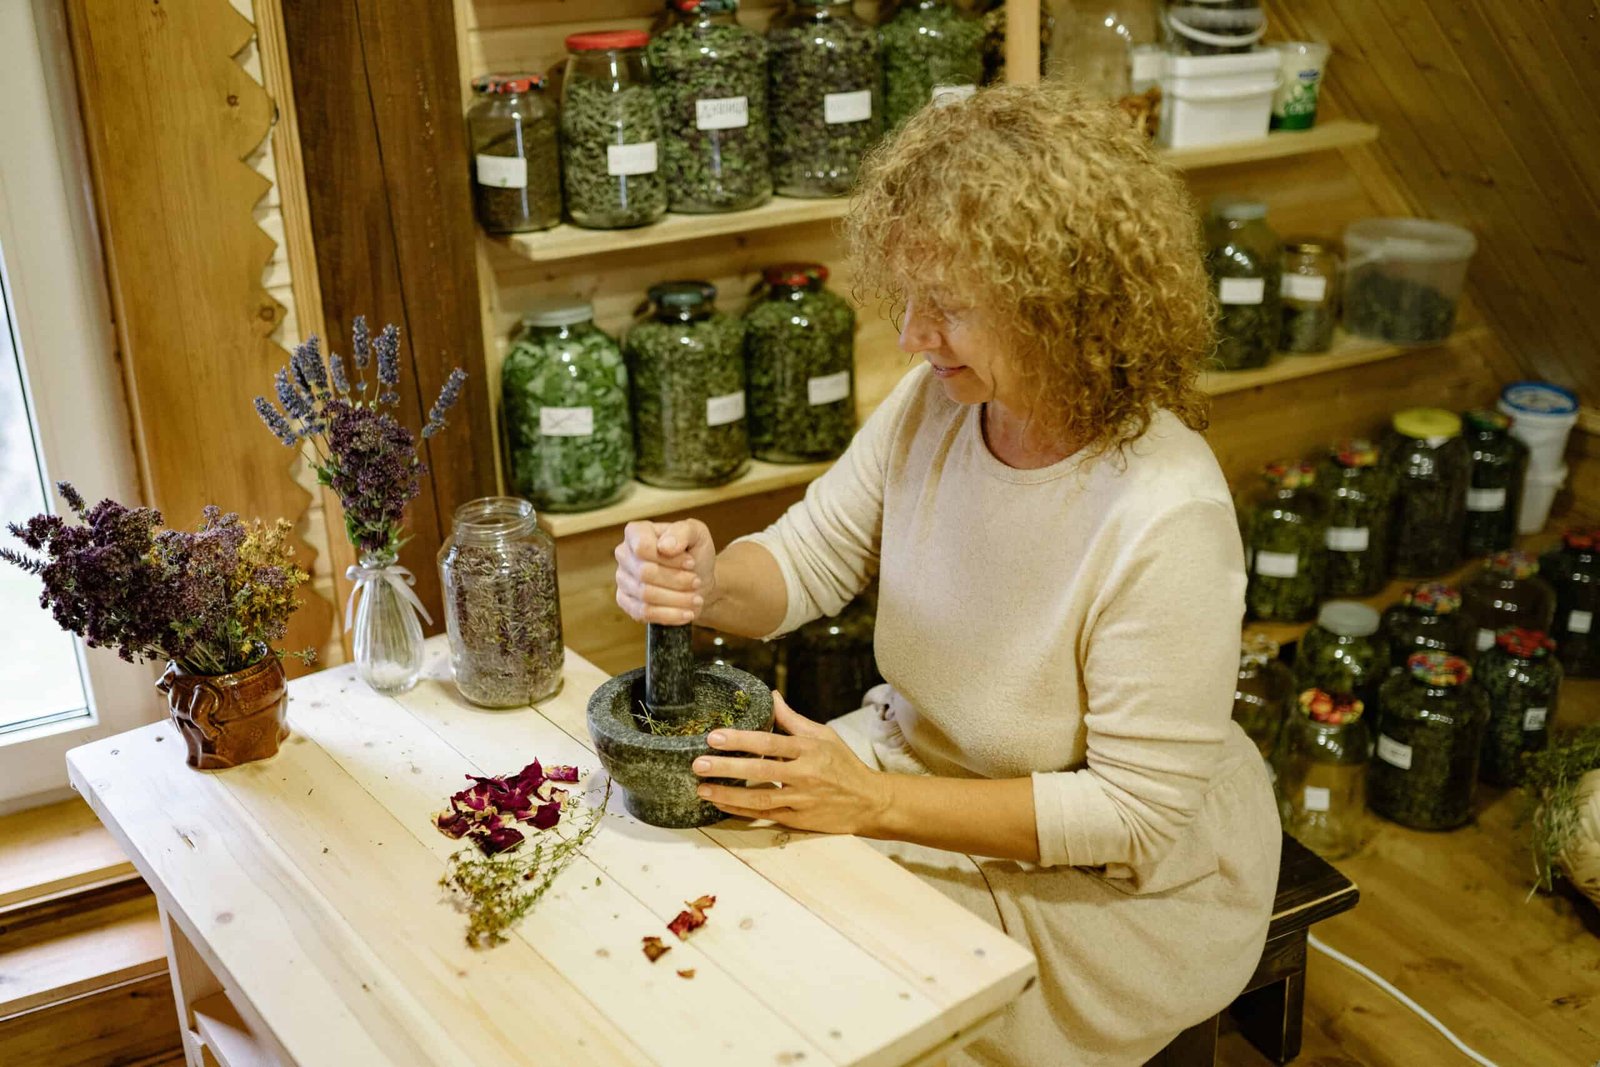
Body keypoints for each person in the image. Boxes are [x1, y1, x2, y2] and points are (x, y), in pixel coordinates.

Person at [612, 83, 1280, 1066]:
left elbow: (1130, 816)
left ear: (1062, 306)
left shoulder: (1163, 511)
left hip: (1104, 884)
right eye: (907, 297)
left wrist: (870, 806)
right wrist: (703, 578)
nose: (913, 337)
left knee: (823, 1004)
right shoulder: (937, 404)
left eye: (951, 308)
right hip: (911, 775)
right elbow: (804, 559)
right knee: (711, 920)